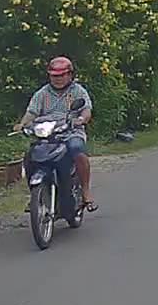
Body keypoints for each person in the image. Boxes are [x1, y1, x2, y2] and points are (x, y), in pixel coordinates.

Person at [14, 56, 97, 212]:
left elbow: (86, 110)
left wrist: (81, 119)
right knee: (30, 156)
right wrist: (22, 124)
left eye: (61, 75)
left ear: (70, 75)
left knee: (78, 151)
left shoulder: (78, 91)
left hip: (71, 131)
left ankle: (86, 193)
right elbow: (32, 112)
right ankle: (35, 195)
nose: (58, 79)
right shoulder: (42, 93)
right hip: (46, 135)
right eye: (54, 76)